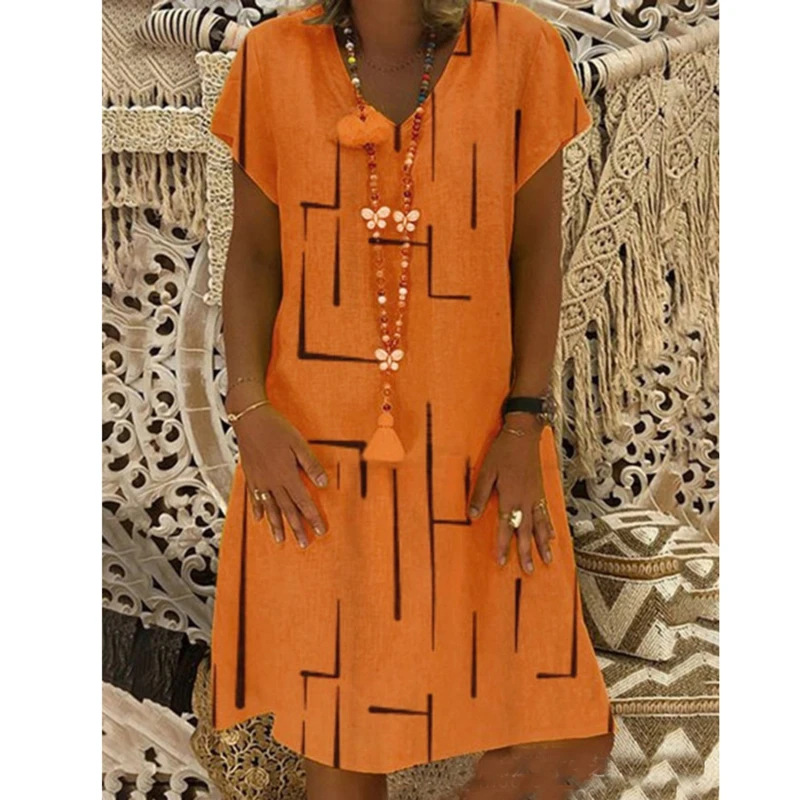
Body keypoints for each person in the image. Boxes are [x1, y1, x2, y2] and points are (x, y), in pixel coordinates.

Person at [208, 1, 615, 797]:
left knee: (544, 727)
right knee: (339, 724)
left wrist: (523, 424)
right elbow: (253, 256)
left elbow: (536, 255)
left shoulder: (522, 52)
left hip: (480, 451)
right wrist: (249, 411)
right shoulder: (273, 60)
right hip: (314, 458)